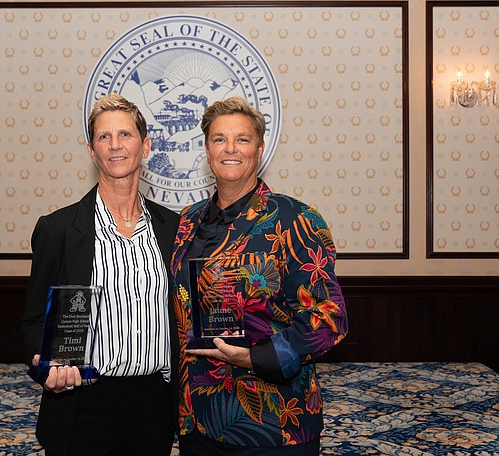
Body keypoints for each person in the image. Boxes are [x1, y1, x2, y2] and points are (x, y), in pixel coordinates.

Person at [170, 96, 348, 455]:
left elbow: (330, 318)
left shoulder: (293, 219)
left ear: (260, 148)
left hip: (270, 423)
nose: (230, 148)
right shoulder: (186, 222)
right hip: (197, 417)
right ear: (207, 150)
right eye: (219, 139)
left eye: (242, 139)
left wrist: (253, 358)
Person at [21, 93, 180, 456]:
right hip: (83, 403)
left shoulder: (174, 228)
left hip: (155, 402)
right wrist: (46, 362)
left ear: (146, 145)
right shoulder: (58, 229)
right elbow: (33, 322)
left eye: (125, 134)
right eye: (104, 137)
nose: (115, 145)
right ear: (92, 152)